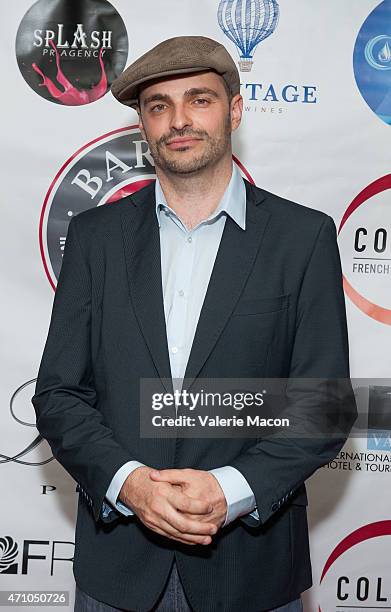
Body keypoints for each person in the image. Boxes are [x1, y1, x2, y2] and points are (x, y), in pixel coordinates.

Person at [31, 35, 357, 612]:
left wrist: (230, 491)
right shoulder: (94, 239)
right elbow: (59, 394)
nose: (178, 120)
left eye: (199, 100)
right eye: (158, 106)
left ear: (234, 109)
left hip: (251, 571)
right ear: (143, 126)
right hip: (118, 568)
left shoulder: (302, 238)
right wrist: (129, 482)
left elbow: (324, 405)